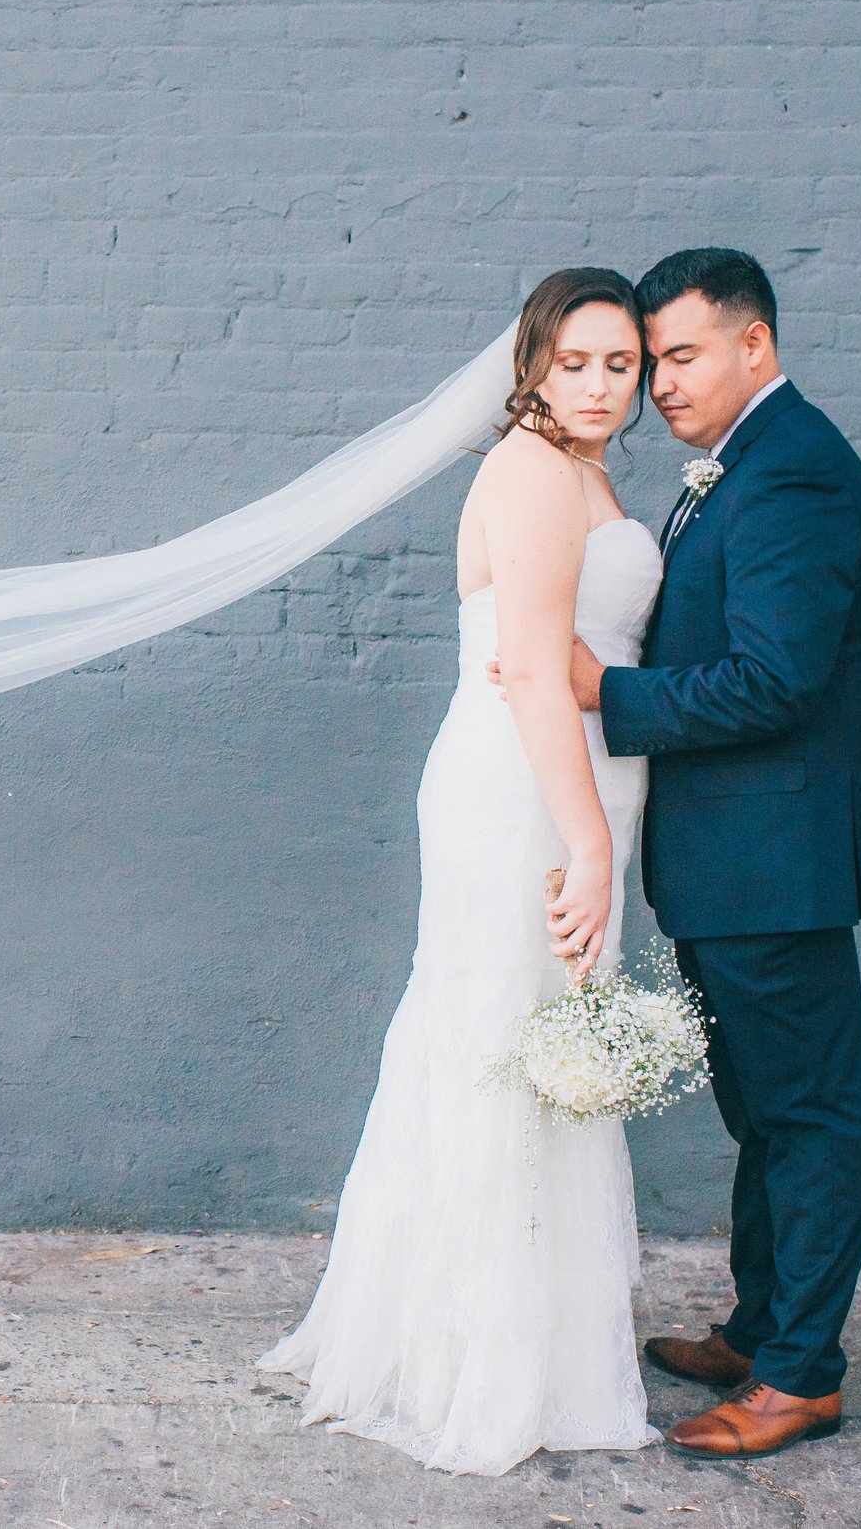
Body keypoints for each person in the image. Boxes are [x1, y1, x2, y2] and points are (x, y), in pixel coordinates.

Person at [256, 267, 665, 1474]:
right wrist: (586, 843)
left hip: (580, 780)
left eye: (621, 366)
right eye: (576, 361)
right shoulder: (532, 471)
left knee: (542, 1041)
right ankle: (472, 1364)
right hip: (525, 794)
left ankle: (523, 1344)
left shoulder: (585, 471)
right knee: (500, 1038)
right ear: (530, 361)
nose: (598, 386)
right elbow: (535, 671)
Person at [552, 247, 861, 1458]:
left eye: (680, 356)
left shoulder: (791, 472)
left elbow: (776, 678)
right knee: (766, 1112)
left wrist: (610, 692)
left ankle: (800, 1374)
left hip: (777, 863)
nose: (658, 384)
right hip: (734, 861)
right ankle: (761, 1328)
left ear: (755, 343)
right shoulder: (741, 464)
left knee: (806, 1116)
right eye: (651, 364)